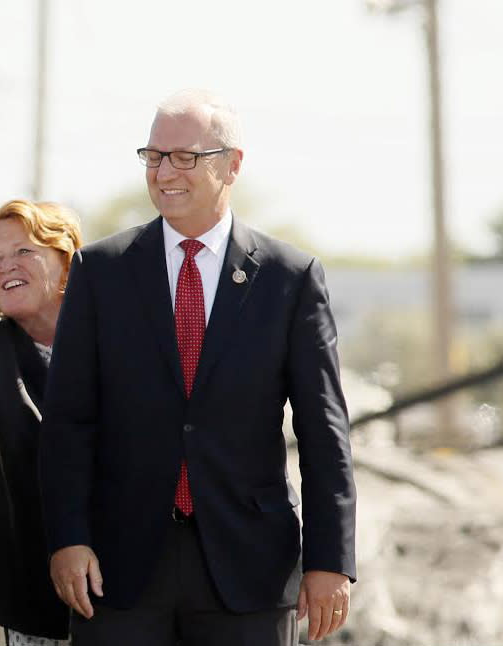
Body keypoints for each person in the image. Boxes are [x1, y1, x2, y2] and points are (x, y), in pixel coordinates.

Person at [39, 89, 357, 646]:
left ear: (232, 164)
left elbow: (323, 429)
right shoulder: (101, 271)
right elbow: (68, 420)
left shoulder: (290, 278)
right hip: (118, 568)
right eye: (154, 156)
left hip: (250, 567)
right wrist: (67, 537)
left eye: (184, 156)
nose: (164, 172)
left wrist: (330, 559)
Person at [0, 199, 83, 646]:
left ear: (65, 262)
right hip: (37, 592)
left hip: (138, 584)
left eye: (24, 251)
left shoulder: (113, 340)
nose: (5, 266)